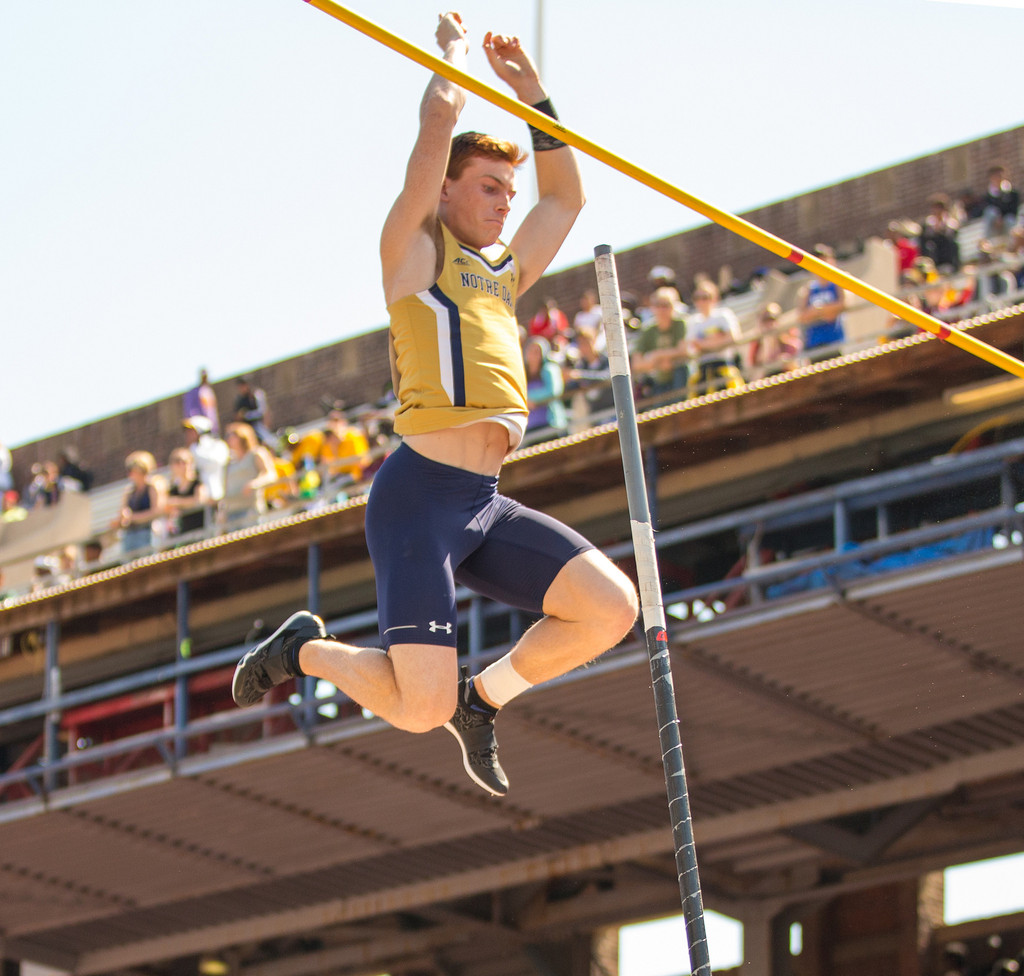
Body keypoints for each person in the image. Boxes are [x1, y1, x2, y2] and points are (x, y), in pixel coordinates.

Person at [232, 11, 638, 798]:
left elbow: (566, 198)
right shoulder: (413, 256)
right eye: (488, 188)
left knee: (610, 608)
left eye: (506, 192)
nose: (502, 203)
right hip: (418, 500)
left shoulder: (503, 272)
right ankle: (305, 651)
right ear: (445, 188)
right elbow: (437, 123)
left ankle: (482, 701)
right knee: (416, 711)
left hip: (482, 503)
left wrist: (530, 92)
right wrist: (450, 59)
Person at [685, 281, 744, 397]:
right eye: (697, 298)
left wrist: (703, 344)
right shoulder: (693, 322)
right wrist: (716, 340)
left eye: (705, 297)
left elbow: (734, 337)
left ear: (714, 298)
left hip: (723, 367)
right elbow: (691, 348)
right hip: (703, 370)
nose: (701, 302)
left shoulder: (723, 315)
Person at [630, 286, 689, 397]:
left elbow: (684, 351)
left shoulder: (680, 323)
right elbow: (637, 364)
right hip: (658, 380)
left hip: (681, 378)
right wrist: (659, 363)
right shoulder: (648, 330)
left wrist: (656, 355)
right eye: (658, 305)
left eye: (666, 305)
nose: (662, 310)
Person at [220, 422, 278, 530]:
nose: (227, 439)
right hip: (232, 513)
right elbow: (225, 489)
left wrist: (254, 483)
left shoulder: (256, 453)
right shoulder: (228, 463)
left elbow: (271, 474)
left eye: (231, 435)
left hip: (251, 510)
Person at [797, 244, 847, 363]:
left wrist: (817, 311)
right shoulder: (809, 289)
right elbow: (802, 316)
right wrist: (824, 311)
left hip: (834, 341)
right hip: (814, 343)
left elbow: (843, 304)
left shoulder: (837, 284)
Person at [111, 451, 165, 556]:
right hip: (131, 535)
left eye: (132, 470)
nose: (130, 474)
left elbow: (157, 511)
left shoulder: (152, 487)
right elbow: (124, 513)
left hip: (148, 532)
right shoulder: (129, 492)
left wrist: (134, 517)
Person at [523, 335, 568, 437]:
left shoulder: (549, 369)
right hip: (531, 428)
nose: (534, 355)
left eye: (537, 352)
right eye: (531, 351)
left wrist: (528, 399)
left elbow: (554, 391)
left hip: (551, 424)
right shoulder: (523, 375)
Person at [164, 447, 210, 539]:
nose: (181, 465)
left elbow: (200, 501)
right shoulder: (173, 490)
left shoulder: (198, 483)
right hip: (181, 534)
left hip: (199, 532)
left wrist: (178, 502)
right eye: (177, 462)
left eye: (184, 462)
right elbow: (167, 508)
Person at [183, 416, 230, 504]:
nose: (188, 434)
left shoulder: (218, 445)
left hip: (221, 493)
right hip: (204, 499)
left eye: (192, 431)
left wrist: (195, 452)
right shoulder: (192, 449)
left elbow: (216, 462)